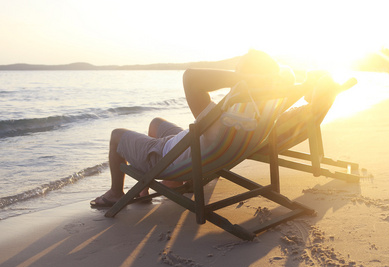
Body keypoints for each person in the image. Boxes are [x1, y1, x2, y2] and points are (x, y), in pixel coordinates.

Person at [90, 50, 313, 207]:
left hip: (167, 155)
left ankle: (115, 193)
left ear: (246, 74)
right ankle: (163, 184)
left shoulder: (232, 113)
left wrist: (245, 78)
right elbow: (293, 84)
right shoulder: (257, 111)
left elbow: (191, 77)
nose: (234, 69)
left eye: (239, 67)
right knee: (156, 123)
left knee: (116, 136)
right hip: (192, 145)